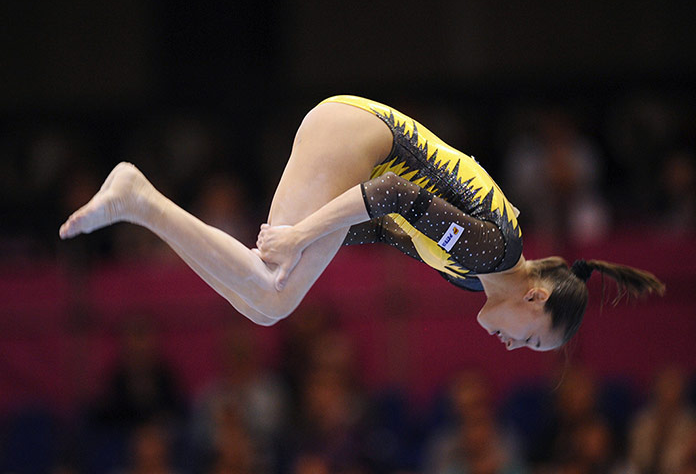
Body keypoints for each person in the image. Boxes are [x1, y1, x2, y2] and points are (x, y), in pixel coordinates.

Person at [59, 95, 665, 350]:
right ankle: (138, 199)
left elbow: (380, 225)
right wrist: (300, 237)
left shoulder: (469, 276)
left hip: (357, 145)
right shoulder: (493, 250)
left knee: (269, 297)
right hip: (361, 140)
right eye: (532, 337)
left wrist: (315, 236)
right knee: (274, 287)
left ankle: (139, 201)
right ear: (535, 295)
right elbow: (394, 191)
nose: (513, 346)